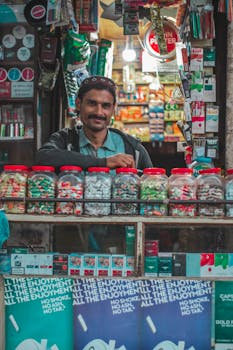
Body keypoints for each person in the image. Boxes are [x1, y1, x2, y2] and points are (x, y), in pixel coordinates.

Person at [36, 75, 153, 171]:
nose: (98, 112)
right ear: (78, 104)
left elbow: (152, 186)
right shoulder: (65, 140)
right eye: (92, 104)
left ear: (113, 109)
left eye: (106, 106)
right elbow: (43, 158)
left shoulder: (133, 149)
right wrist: (103, 163)